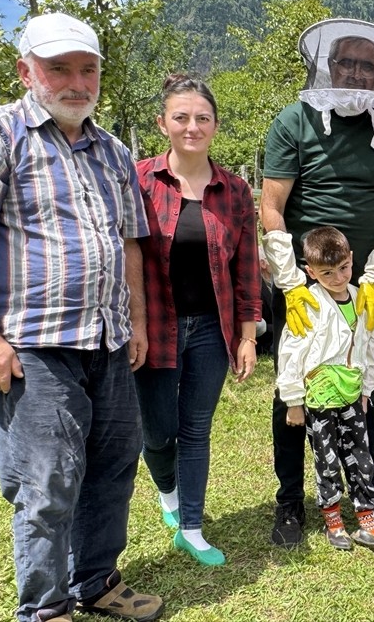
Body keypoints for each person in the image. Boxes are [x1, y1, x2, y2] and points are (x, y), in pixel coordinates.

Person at [0, 12, 162, 622]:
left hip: (108, 341)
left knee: (113, 468)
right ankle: (45, 607)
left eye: (87, 69)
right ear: (25, 70)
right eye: (58, 67)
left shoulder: (112, 150)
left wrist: (137, 323)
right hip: (34, 344)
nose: (75, 81)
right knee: (47, 482)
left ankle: (95, 583)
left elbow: (131, 243)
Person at [260, 18, 374, 546]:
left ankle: (366, 489)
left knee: (362, 385)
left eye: (367, 65)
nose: (356, 72)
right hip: (304, 283)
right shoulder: (292, 121)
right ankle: (289, 502)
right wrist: (290, 284)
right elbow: (272, 207)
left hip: (359, 284)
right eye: (346, 62)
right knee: (294, 391)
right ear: (328, 66)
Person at [133, 75, 260, 568]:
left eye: (202, 118)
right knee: (158, 432)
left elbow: (246, 267)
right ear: (163, 123)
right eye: (181, 117)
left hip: (210, 328)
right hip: (154, 327)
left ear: (215, 125)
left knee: (196, 428)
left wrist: (247, 335)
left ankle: (191, 526)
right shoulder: (140, 180)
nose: (192, 126)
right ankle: (167, 492)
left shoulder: (235, 191)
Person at [262, 226, 374, 556]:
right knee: (327, 459)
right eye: (326, 272)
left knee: (361, 457)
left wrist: (365, 390)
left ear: (352, 260)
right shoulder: (308, 303)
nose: (337, 278)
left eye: (343, 268)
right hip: (319, 400)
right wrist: (293, 401)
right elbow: (291, 353)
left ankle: (366, 519)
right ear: (310, 271)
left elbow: (368, 346)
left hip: (351, 396)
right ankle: (333, 520)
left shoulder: (363, 298)